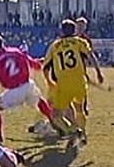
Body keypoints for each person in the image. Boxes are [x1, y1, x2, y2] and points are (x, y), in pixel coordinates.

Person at [43, 19, 104, 147]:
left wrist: (49, 81)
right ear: (74, 30)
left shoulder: (55, 46)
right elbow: (91, 56)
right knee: (80, 110)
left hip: (63, 84)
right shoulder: (80, 42)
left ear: (61, 30)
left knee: (56, 115)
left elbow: (45, 67)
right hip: (80, 82)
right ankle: (82, 133)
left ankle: (74, 131)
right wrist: (98, 72)